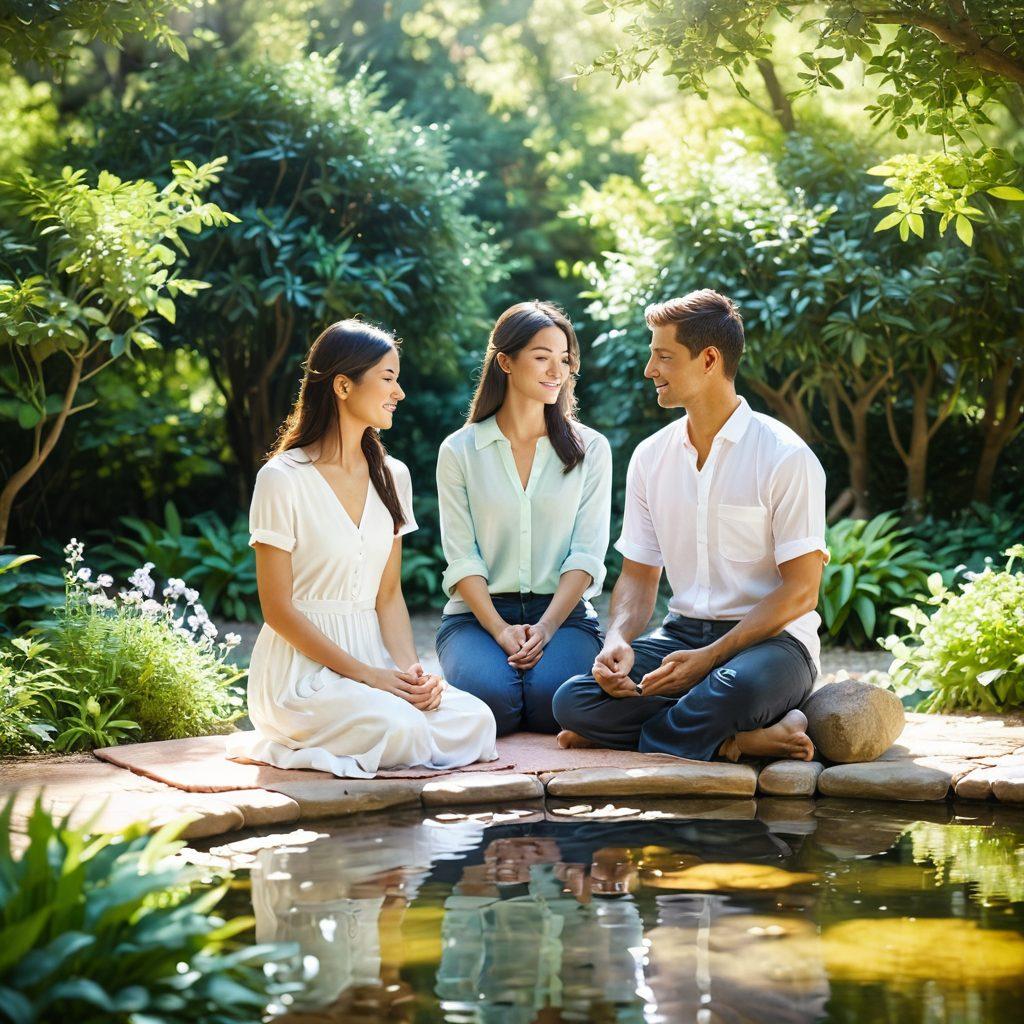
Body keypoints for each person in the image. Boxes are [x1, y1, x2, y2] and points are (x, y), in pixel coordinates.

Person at [553, 289, 828, 762]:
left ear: (708, 359)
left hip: (772, 643)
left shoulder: (785, 456)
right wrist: (618, 638)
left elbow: (801, 592)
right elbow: (638, 576)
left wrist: (711, 658)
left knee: (734, 689)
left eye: (663, 356)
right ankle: (734, 742)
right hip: (681, 636)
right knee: (574, 702)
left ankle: (702, 733)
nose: (649, 370)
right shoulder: (650, 456)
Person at [227, 319, 496, 778]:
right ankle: (292, 743)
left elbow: (387, 596)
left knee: (476, 721)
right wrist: (370, 678)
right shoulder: (281, 478)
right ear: (343, 386)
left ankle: (389, 722)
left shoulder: (394, 475)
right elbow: (277, 609)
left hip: (373, 663)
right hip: (301, 673)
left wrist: (412, 676)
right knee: (400, 730)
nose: (400, 392)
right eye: (388, 378)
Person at [434, 301, 612, 736]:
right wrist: (498, 629)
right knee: (493, 702)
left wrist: (547, 627)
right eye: (542, 357)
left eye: (565, 360)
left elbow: (586, 555)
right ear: (505, 362)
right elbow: (463, 557)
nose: (558, 371)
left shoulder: (592, 449)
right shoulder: (459, 451)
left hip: (564, 614)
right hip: (476, 616)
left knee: (556, 699)